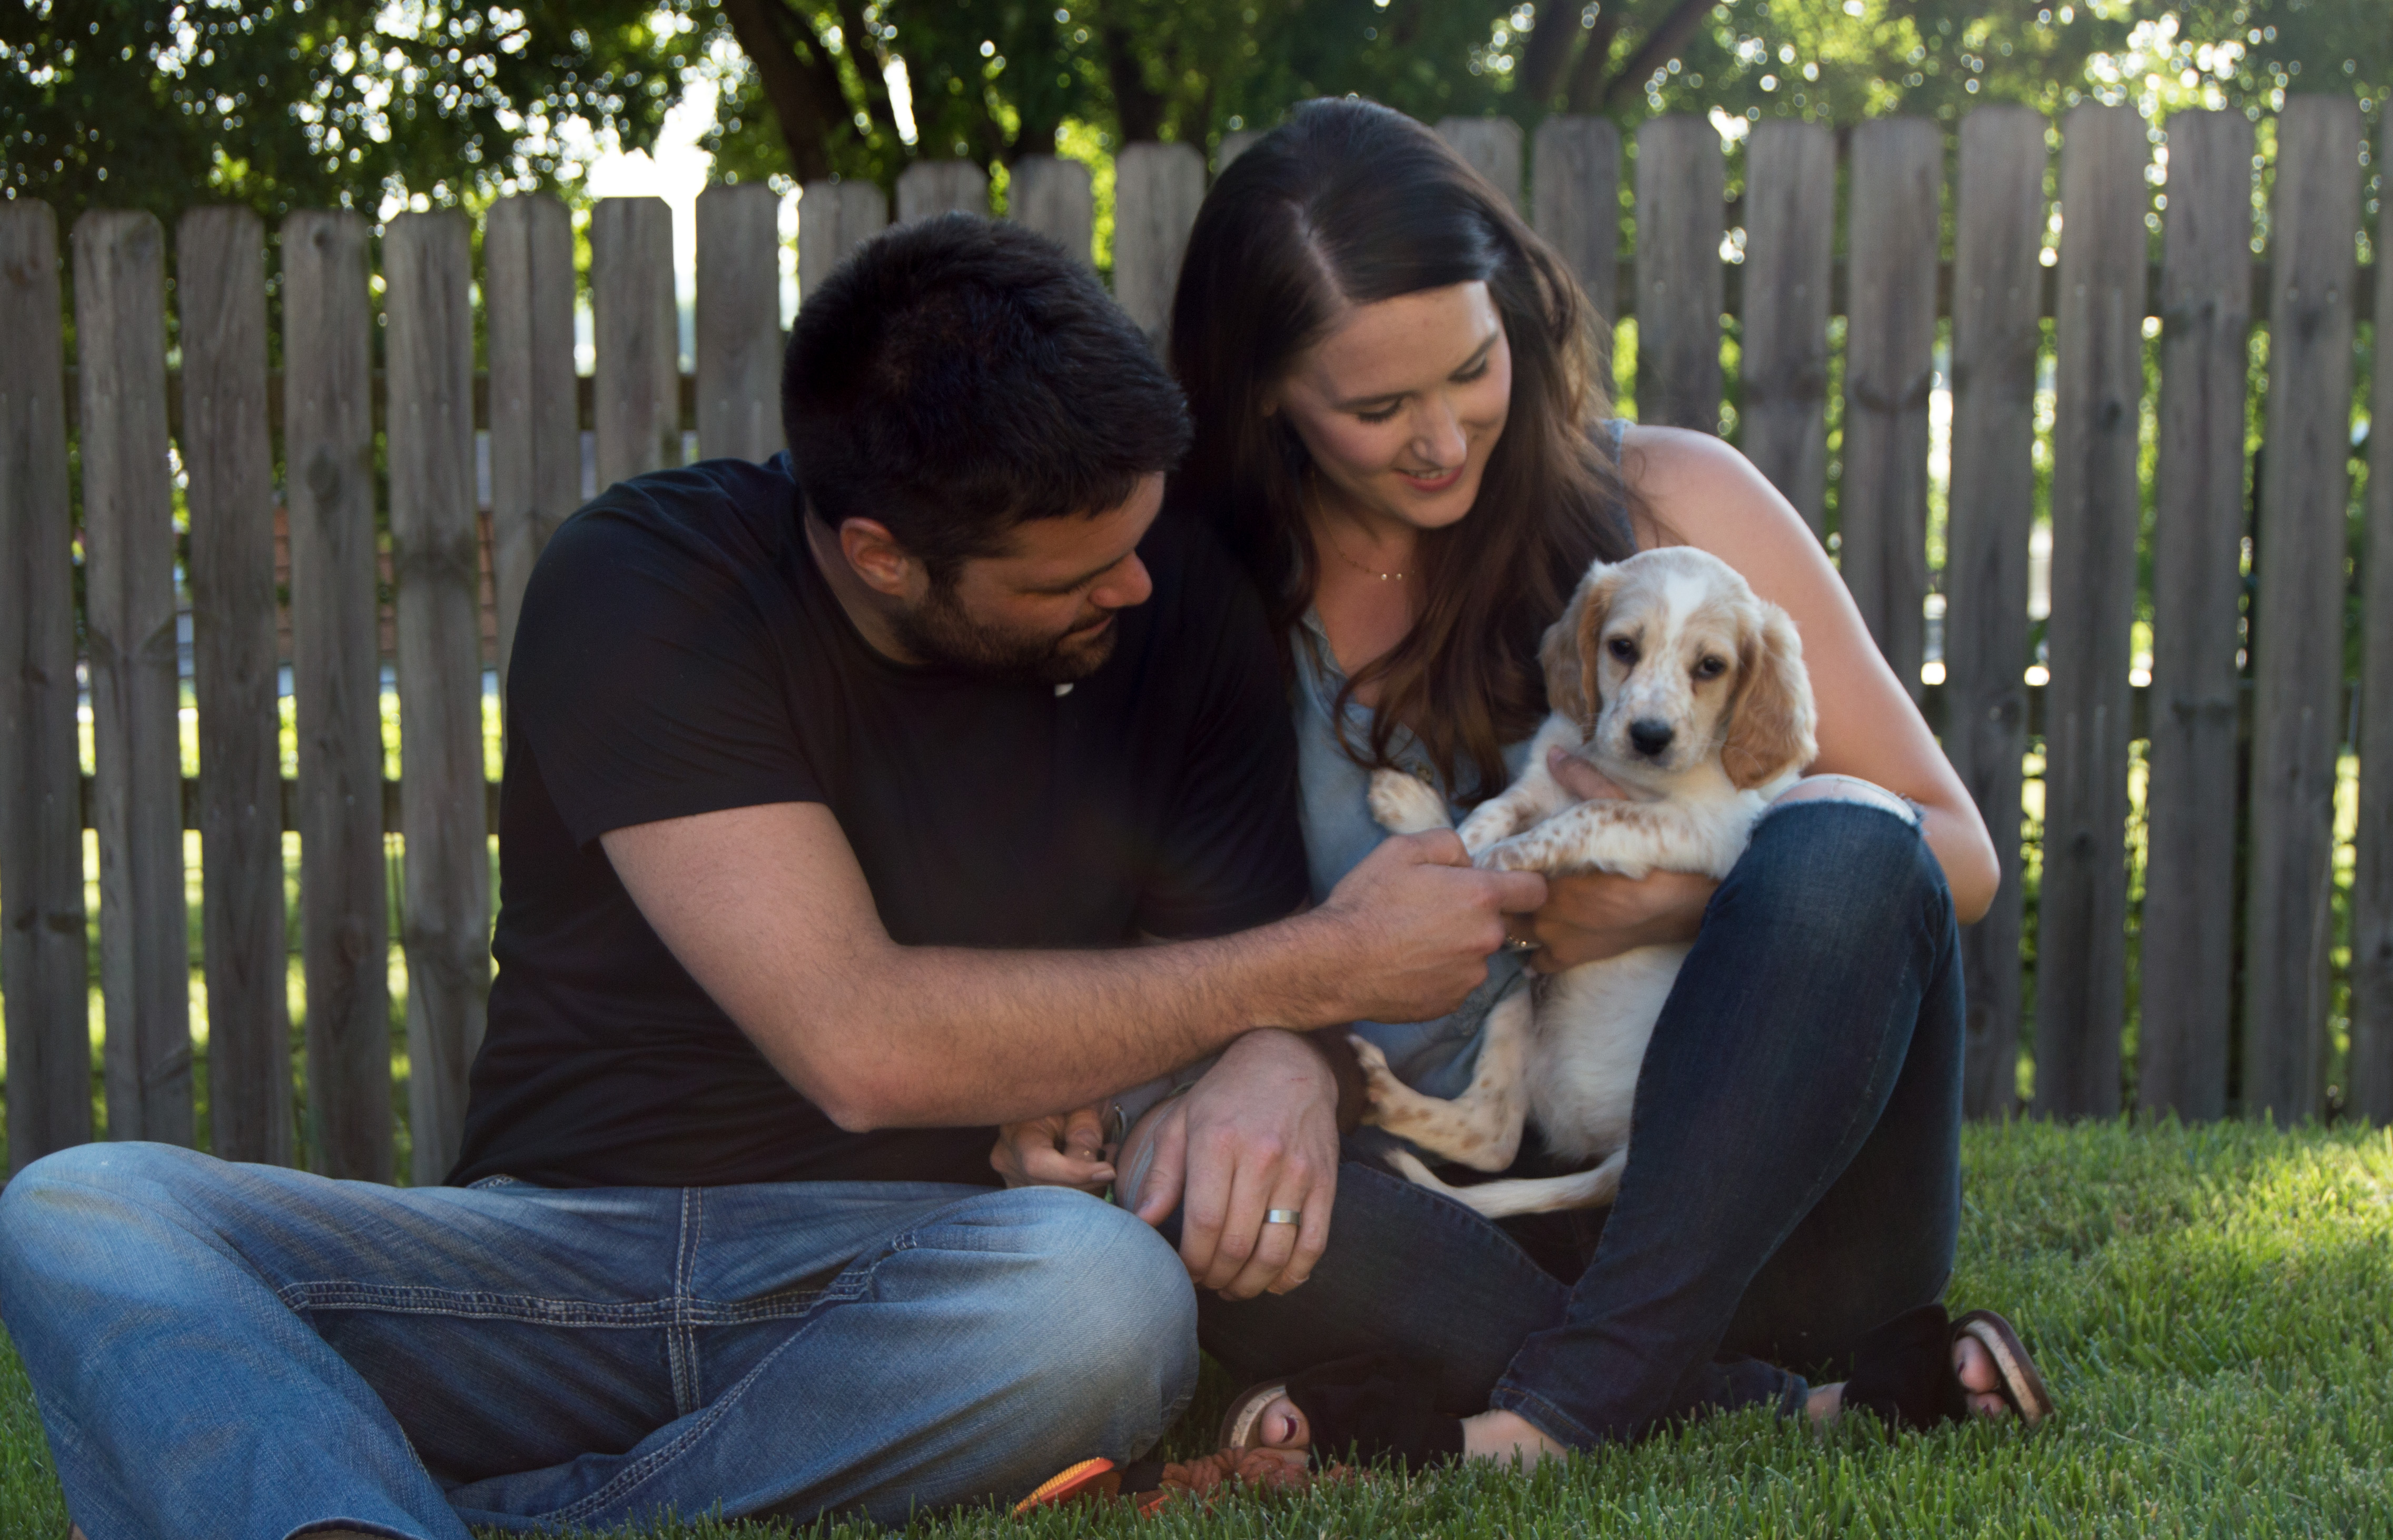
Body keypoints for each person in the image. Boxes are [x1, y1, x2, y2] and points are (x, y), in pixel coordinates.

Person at [0, 214, 1545, 1538]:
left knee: (1100, 1299)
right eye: (1070, 578)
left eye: (1136, 543)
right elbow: (860, 1042)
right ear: (880, 554)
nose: (1131, 588)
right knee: (86, 1208)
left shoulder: (1179, 605)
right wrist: (1319, 973)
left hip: (916, 1290)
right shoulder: (650, 584)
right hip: (550, 1269)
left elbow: (1222, 978)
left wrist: (1276, 1048)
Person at [1095, 97, 2042, 1468]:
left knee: (1846, 836)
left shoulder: (1670, 505)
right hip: (1459, 1211)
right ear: (1261, 395)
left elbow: (1943, 856)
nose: (1442, 439)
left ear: (1518, 322)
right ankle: (1769, 1405)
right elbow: (1144, 962)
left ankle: (1557, 1415)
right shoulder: (1176, 596)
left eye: (1471, 370)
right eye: (1377, 407)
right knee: (1187, 1177)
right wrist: (1282, 1049)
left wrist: (1654, 905)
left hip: (1781, 1219)